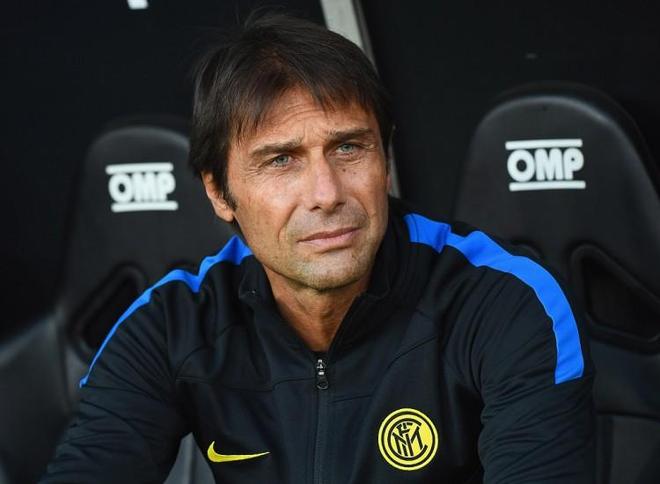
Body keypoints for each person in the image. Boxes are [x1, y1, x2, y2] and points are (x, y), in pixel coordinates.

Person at [41, 12, 594, 484]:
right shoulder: (172, 322)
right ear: (219, 192)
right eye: (281, 160)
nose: (326, 194)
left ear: (385, 159)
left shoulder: (504, 302)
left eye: (349, 148)